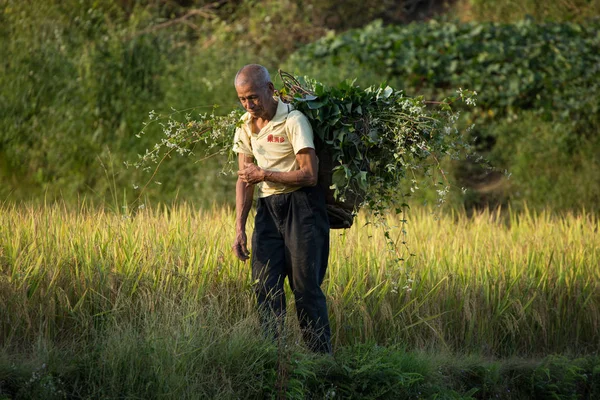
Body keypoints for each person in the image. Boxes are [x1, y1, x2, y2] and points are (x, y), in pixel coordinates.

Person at [231, 64, 332, 354]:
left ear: (270, 89)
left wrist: (265, 175)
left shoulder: (294, 120)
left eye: (253, 97)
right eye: (242, 99)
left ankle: (321, 361)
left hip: (303, 207)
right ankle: (274, 358)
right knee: (264, 286)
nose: (249, 105)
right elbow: (244, 179)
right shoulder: (243, 125)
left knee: (305, 288)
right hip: (267, 210)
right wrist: (239, 227)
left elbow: (309, 174)